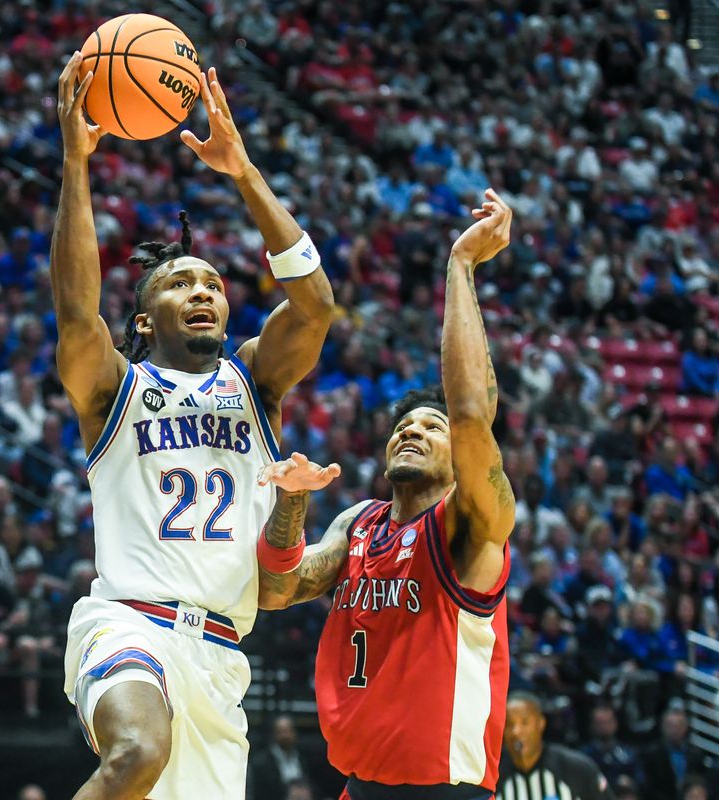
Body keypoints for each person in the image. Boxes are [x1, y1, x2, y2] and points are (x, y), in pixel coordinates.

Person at [55, 59, 335, 800]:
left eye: (212, 283)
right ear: (145, 319)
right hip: (127, 626)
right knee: (137, 752)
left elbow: (314, 308)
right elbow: (79, 314)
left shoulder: (254, 381)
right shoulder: (115, 387)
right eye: (180, 283)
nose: (203, 291)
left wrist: (242, 172)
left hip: (218, 652)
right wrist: (76, 166)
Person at [257, 191, 516, 798]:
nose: (412, 430)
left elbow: (473, 416)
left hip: (442, 786)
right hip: (357, 784)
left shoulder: (472, 524)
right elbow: (278, 590)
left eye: (433, 427)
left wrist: (461, 266)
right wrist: (292, 502)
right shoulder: (359, 523)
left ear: (463, 460)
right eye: (405, 425)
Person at [497, 692, 612, 800]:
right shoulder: (494, 776)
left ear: (541, 723)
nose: (516, 732)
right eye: (509, 724)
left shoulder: (576, 768)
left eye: (525, 722)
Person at [249, 716, 310, 800]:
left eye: (288, 731)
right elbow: (261, 792)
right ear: (274, 734)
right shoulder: (261, 763)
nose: (285, 735)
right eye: (280, 732)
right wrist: (288, 793)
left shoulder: (303, 757)